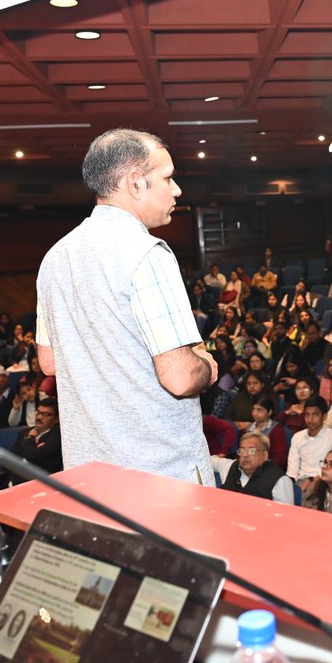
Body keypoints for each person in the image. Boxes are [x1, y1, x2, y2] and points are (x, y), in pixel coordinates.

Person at [36, 129, 218, 484]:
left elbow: (50, 361)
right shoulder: (147, 253)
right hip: (159, 471)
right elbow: (180, 378)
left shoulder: (55, 257)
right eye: (167, 178)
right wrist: (206, 366)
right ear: (136, 183)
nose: (177, 189)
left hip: (89, 470)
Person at [286, 396, 332, 492]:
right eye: (307, 415)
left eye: (315, 415)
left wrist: (311, 480)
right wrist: (289, 486)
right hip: (300, 482)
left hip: (324, 482)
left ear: (324, 416)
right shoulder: (297, 437)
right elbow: (292, 469)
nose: (310, 419)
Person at [214, 432, 293, 504]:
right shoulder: (229, 466)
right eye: (241, 450)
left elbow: (285, 515)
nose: (244, 455)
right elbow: (204, 460)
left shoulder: (280, 480)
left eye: (251, 451)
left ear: (265, 455)